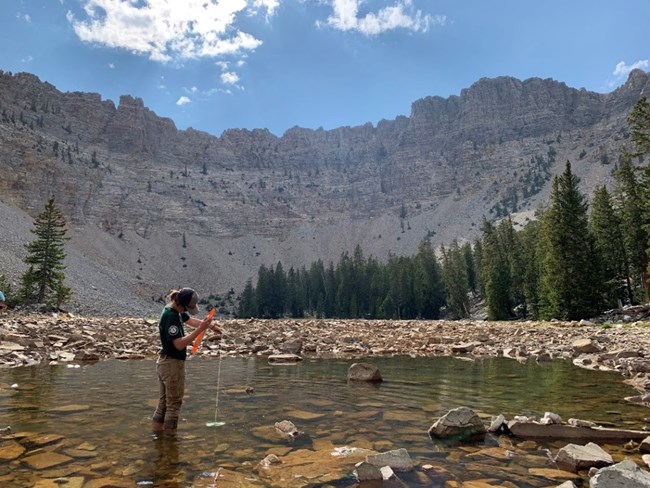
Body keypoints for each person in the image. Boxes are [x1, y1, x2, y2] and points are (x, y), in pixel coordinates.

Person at [152, 287, 222, 433]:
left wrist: (210, 325)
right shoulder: (171, 316)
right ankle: (170, 446)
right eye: (187, 308)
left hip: (164, 363)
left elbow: (190, 321)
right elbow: (178, 344)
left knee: (164, 403)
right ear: (180, 305)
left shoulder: (175, 310)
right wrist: (200, 329)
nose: (187, 312)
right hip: (171, 365)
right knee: (174, 405)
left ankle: (157, 438)